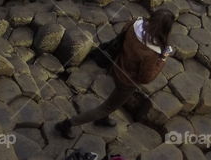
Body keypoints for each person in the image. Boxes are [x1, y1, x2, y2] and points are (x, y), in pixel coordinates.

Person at [56, 9, 175, 138]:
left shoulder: (136, 23)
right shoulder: (153, 52)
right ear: (166, 28)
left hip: (116, 64)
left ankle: (103, 118)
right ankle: (67, 124)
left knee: (112, 103)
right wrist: (162, 60)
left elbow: (122, 35)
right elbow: (146, 78)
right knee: (107, 107)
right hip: (127, 81)